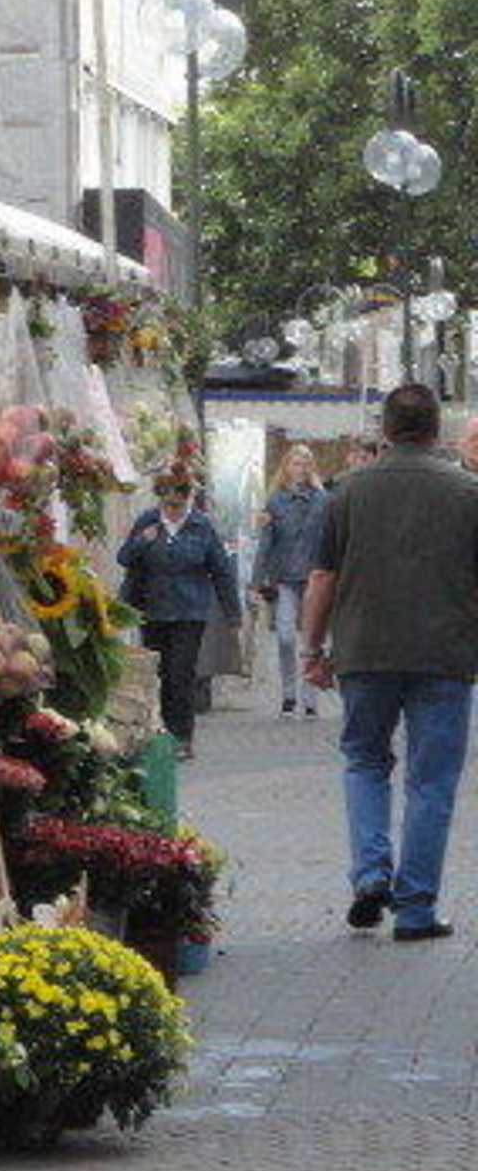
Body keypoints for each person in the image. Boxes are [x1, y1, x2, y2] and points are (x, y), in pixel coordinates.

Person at [302, 382, 478, 942]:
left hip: (364, 652)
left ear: (384, 428)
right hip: (445, 656)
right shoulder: (468, 492)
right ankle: (416, 909)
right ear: (437, 430)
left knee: (364, 762)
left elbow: (322, 577)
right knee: (432, 781)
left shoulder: (346, 491)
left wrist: (313, 649)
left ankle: (371, 874)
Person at [118, 471, 243, 762]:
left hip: (190, 611)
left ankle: (183, 737)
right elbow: (124, 558)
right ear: (160, 500)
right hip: (153, 609)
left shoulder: (201, 525)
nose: (173, 511)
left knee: (181, 673)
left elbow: (221, 571)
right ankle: (161, 733)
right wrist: (142, 542)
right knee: (160, 674)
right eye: (168, 504)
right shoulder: (148, 521)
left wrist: (233, 613)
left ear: (189, 499)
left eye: (179, 504)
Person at [253, 446, 330, 718]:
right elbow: (265, 541)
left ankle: (309, 697)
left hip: (313, 577)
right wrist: (257, 579)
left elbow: (331, 538)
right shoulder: (275, 501)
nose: (301, 469)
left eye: (305, 464)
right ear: (286, 467)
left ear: (311, 468)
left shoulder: (322, 500)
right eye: (296, 463)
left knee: (312, 639)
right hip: (284, 576)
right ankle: (288, 693)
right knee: (285, 636)